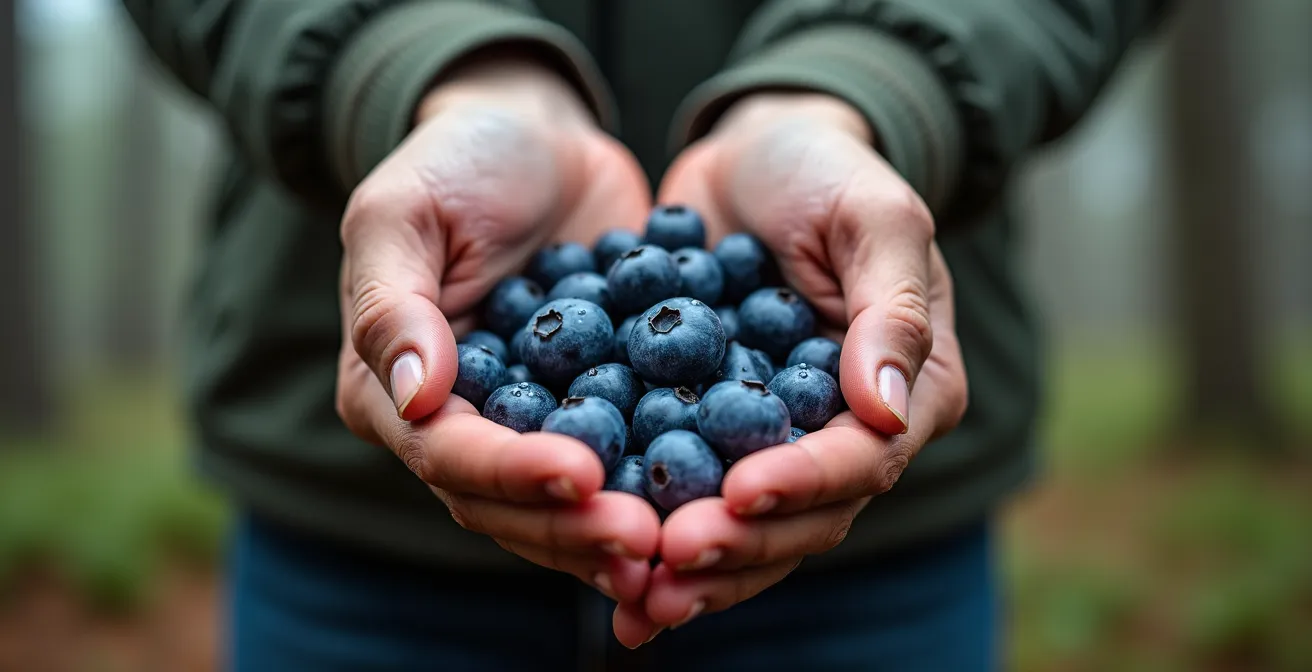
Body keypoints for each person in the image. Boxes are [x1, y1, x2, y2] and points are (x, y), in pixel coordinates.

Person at [122, 1, 1170, 669]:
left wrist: (874, 84)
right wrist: (405, 60)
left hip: (869, 573)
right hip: (356, 554)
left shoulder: (723, 356)